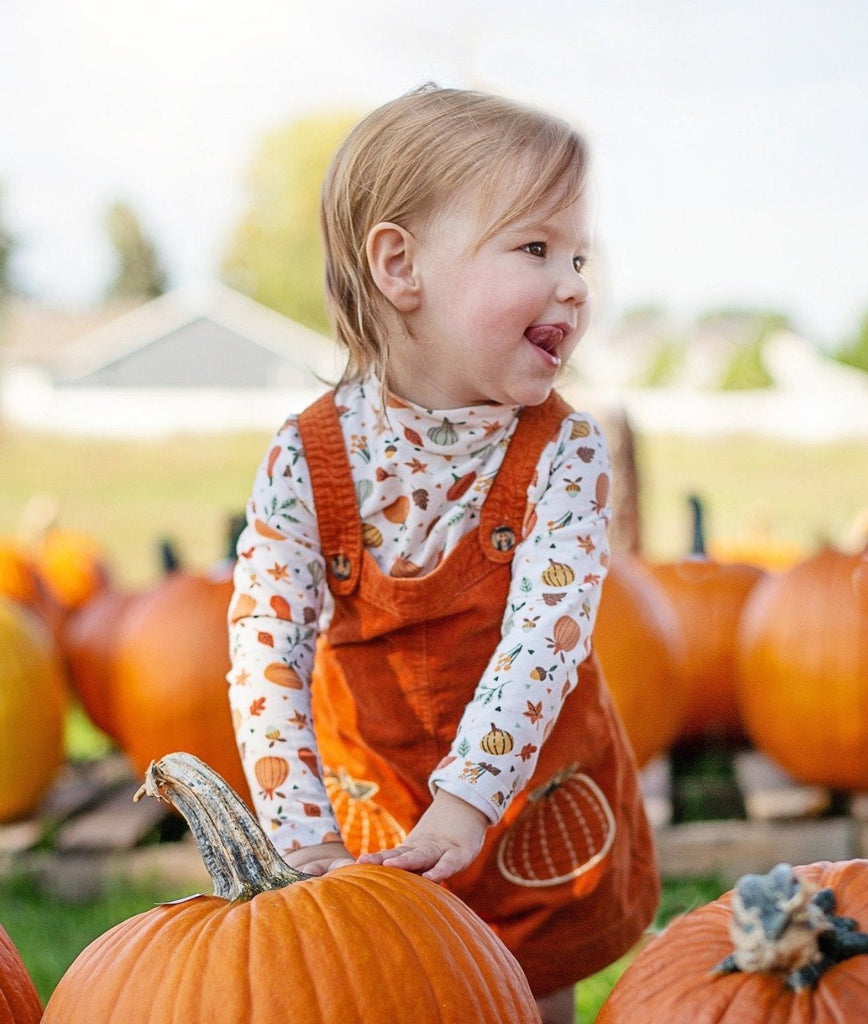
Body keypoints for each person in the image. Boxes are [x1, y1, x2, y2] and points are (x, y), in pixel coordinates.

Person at [227, 84, 659, 1024]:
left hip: (529, 800)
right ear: (400, 265)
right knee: (388, 992)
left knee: (533, 995)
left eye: (579, 253)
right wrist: (300, 838)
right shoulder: (307, 459)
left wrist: (468, 803)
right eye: (536, 248)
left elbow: (544, 643)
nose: (577, 281)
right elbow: (267, 646)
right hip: (367, 812)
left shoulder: (565, 453)